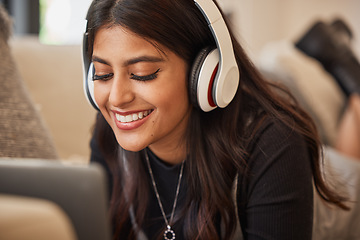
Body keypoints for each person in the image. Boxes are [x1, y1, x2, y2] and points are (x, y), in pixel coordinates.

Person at [83, 0, 347, 239]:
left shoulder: (276, 143)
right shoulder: (109, 133)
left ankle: (348, 74)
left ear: (206, 74)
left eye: (143, 73)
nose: (116, 99)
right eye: (103, 74)